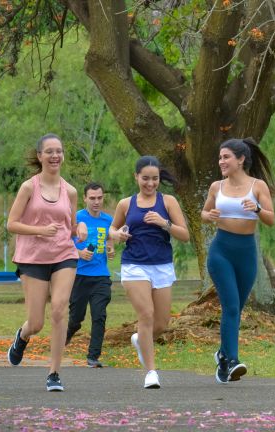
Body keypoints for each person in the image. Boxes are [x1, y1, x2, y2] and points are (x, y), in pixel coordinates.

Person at [6, 133, 87, 392]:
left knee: (60, 309)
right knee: (37, 322)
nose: (55, 156)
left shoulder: (71, 191)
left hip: (64, 254)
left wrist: (81, 228)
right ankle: (23, 335)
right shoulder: (29, 187)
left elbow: (71, 227)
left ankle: (54, 372)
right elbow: (11, 224)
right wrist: (40, 231)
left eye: (59, 151)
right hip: (33, 258)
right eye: (49, 151)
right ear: (40, 156)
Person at [109, 156, 189, 389]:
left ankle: (139, 339)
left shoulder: (168, 201)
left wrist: (164, 223)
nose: (150, 183)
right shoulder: (126, 203)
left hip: (162, 265)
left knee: (162, 323)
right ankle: (151, 372)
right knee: (146, 315)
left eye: (155, 179)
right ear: (136, 177)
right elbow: (112, 229)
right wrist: (118, 235)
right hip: (134, 265)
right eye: (145, 178)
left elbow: (184, 235)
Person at [201, 137, 275, 384]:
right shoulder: (216, 187)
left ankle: (222, 356)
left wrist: (255, 209)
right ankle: (232, 360)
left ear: (241, 159)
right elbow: (204, 214)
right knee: (231, 306)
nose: (221, 161)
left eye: (226, 157)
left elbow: (270, 219)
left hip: (246, 254)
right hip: (221, 251)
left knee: (237, 308)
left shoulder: (257, 186)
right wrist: (209, 215)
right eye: (220, 157)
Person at [65, 182, 115, 368]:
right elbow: (62, 242)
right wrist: (79, 253)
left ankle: (93, 356)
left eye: (99, 198)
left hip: (101, 275)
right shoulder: (76, 218)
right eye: (92, 198)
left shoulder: (108, 220)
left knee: (99, 315)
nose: (96, 202)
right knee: (76, 318)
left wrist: (110, 250)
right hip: (78, 275)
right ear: (85, 198)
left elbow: (109, 240)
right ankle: (66, 335)